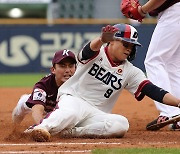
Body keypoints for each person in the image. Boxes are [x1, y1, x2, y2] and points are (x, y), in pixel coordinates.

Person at [24, 24, 180, 142]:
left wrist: (178, 103)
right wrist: (100, 39)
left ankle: (68, 133)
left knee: (121, 125)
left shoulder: (131, 71)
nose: (128, 49)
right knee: (70, 112)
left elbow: (154, 91)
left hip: (96, 112)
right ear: (111, 42)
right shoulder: (97, 53)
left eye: (132, 46)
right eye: (125, 44)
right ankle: (39, 129)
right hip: (74, 99)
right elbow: (87, 51)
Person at [133, 0, 180, 131]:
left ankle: (169, 112)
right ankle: (177, 115)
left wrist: (142, 10)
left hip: (175, 10)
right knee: (172, 64)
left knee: (154, 61)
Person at [12, 49, 77, 125]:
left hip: (61, 109)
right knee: (22, 104)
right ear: (53, 70)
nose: (67, 70)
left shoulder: (80, 83)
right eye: (62, 66)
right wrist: (42, 127)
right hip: (45, 105)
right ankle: (14, 126)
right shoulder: (43, 85)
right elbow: (37, 109)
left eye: (71, 66)